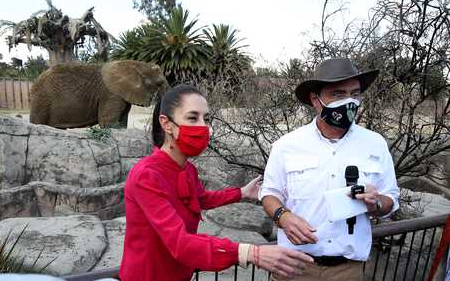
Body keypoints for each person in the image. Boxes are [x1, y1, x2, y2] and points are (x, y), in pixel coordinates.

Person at [119, 84, 313, 281]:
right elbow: (180, 243)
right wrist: (251, 253)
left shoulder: (187, 169)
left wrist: (242, 193)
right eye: (192, 118)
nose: (204, 126)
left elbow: (202, 198)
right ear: (166, 123)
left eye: (206, 119)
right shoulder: (146, 175)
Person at [260, 59, 400, 281]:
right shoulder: (287, 145)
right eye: (337, 94)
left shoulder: (375, 144)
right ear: (315, 100)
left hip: (348, 270)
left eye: (355, 94)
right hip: (293, 266)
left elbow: (390, 198)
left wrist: (377, 204)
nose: (349, 102)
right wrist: (283, 216)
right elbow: (269, 194)